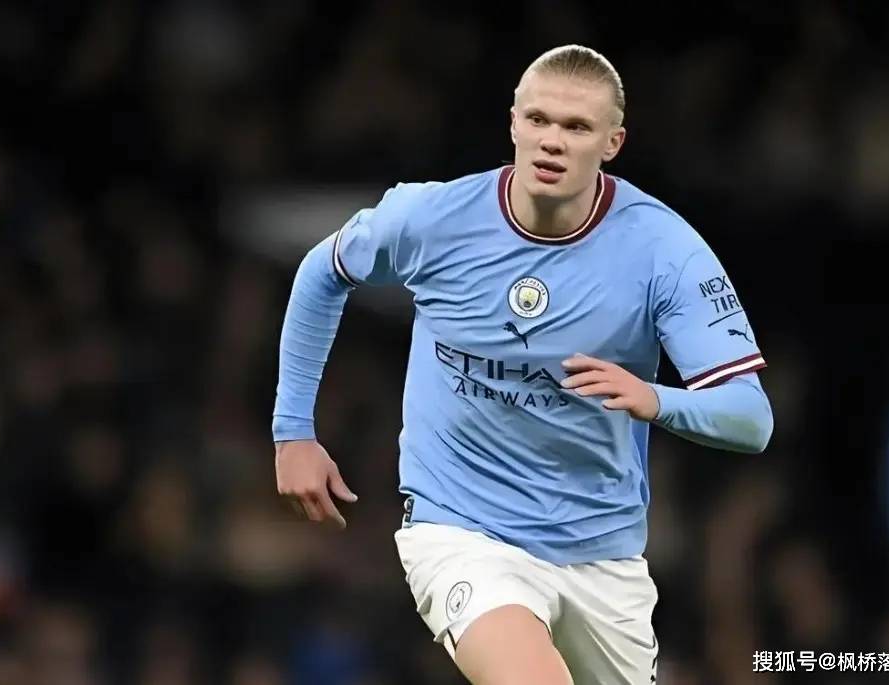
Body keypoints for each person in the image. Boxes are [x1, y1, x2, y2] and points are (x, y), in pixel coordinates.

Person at [272, 44, 773, 685]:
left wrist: (655, 400)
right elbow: (323, 271)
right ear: (513, 123)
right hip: (462, 532)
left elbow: (750, 418)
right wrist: (293, 431)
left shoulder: (663, 251)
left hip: (601, 557)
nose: (552, 141)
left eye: (577, 127)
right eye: (538, 119)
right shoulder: (432, 220)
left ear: (613, 142)